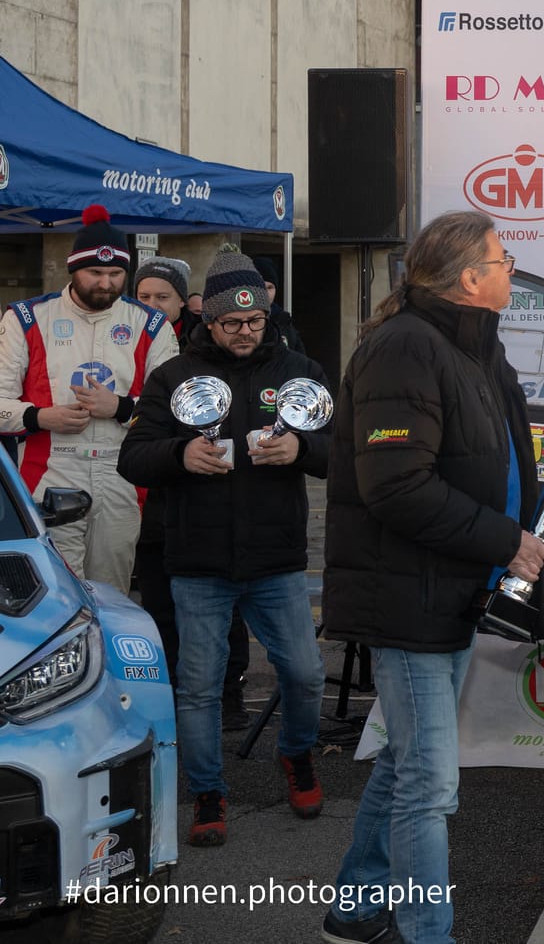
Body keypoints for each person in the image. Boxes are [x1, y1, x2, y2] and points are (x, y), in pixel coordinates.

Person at [321, 211, 544, 944]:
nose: (512, 268)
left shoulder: (475, 345)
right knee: (428, 782)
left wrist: (514, 532)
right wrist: (504, 539)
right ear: (470, 278)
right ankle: (427, 933)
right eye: (502, 259)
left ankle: (355, 908)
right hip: (408, 595)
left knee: (404, 762)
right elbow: (397, 487)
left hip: (449, 587)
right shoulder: (404, 349)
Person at [118, 252, 331, 847]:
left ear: (266, 316)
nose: (245, 332)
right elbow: (131, 458)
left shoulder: (298, 371)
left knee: (306, 674)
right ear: (208, 321)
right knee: (199, 686)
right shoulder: (173, 376)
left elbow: (342, 449)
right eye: (232, 323)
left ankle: (297, 756)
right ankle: (209, 794)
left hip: (276, 559)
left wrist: (303, 453)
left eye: (255, 321)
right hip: (199, 562)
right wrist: (179, 456)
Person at [0, 205, 177, 588]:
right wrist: (39, 417)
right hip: (51, 472)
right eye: (95, 272)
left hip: (121, 472)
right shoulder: (26, 318)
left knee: (112, 593)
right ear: (72, 269)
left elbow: (173, 411)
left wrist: (121, 408)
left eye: (116, 274)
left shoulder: (150, 324)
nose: (106, 283)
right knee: (57, 592)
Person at [130, 255, 253, 725]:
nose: (153, 305)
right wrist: (176, 453)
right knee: (160, 606)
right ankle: (171, 692)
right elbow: (139, 445)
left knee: (227, 611)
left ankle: (230, 691)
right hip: (156, 505)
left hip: (219, 513)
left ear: (187, 302)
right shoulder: (142, 348)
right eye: (144, 297)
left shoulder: (235, 351)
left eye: (163, 297)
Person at [254, 255, 309, 355]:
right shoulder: (241, 322)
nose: (265, 293)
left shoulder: (284, 322)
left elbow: (300, 361)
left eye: (270, 288)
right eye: (260, 286)